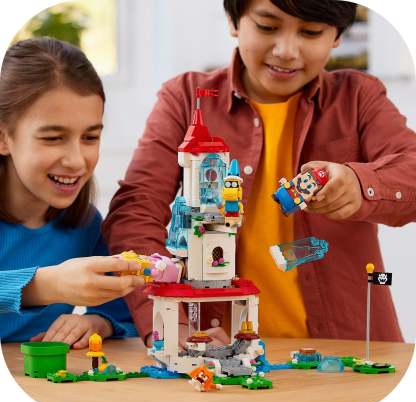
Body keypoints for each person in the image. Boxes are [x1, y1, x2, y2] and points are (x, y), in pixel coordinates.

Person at [103, 0, 416, 346]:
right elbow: (135, 212)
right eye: (267, 26)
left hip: (349, 347)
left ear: (337, 36)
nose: (286, 51)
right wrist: (167, 323)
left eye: (311, 32)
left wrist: (360, 183)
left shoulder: (358, 97)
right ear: (234, 20)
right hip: (215, 347)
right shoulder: (187, 98)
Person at [0, 37, 144, 348]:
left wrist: (98, 322)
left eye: (90, 137)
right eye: (53, 138)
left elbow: (125, 315)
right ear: (3, 137)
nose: (77, 161)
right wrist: (41, 286)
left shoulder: (85, 225)